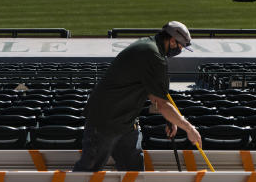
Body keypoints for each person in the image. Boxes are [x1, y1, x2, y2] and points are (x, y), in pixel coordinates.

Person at [73, 21, 202, 172]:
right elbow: (161, 104)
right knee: (88, 172)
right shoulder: (153, 55)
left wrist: (170, 119)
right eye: (180, 47)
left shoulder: (150, 47)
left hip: (126, 121)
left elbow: (154, 95)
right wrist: (189, 128)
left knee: (133, 171)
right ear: (172, 41)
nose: (180, 50)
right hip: (105, 121)